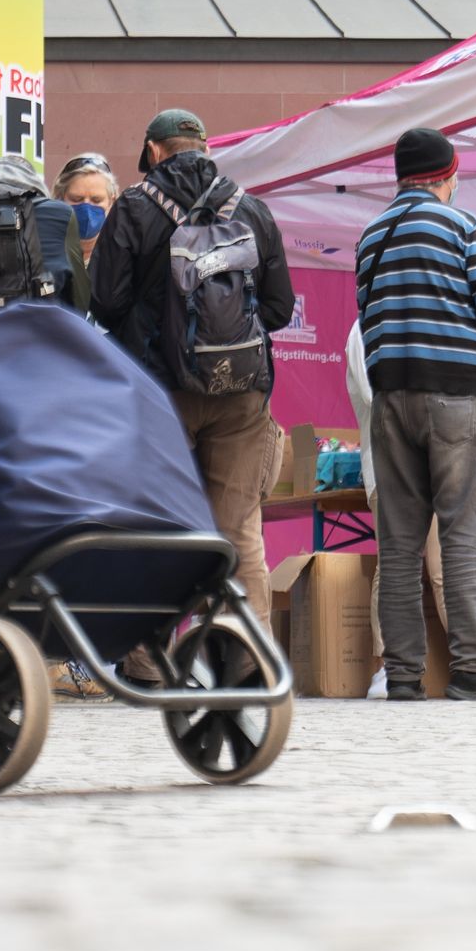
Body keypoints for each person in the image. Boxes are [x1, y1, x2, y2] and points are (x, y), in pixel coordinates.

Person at [92, 108, 293, 672]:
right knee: (239, 530)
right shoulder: (252, 209)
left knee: (156, 525)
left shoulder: (133, 206)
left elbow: (105, 302)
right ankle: (248, 660)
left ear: (154, 151)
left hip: (159, 392)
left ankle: (145, 657)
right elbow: (278, 308)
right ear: (206, 149)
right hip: (242, 395)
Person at [354, 128, 476, 702]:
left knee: (400, 543)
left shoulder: (371, 234)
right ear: (449, 176)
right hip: (456, 399)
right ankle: (474, 667)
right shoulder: (461, 228)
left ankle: (404, 674)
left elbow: (367, 317)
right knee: (462, 534)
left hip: (390, 400)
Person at [344, 321, 449, 698]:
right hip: (391, 467)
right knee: (395, 564)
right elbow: (380, 399)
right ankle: (385, 667)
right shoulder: (364, 328)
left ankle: (470, 662)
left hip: (436, 463)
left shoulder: (418, 318)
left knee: (445, 568)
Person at [54, 152, 119, 264]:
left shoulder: (122, 255)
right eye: (76, 199)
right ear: (60, 198)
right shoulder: (44, 252)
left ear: (111, 202)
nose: (87, 208)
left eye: (96, 200)